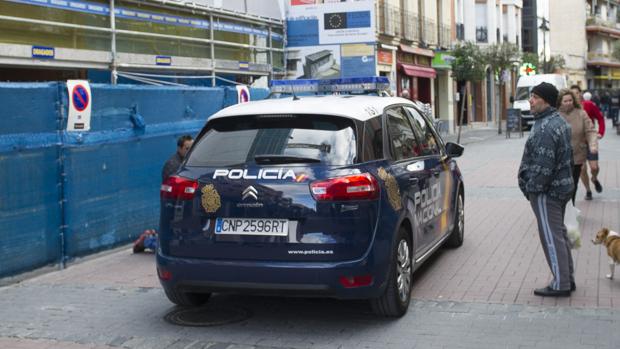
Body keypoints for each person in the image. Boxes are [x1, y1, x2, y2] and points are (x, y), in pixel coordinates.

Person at [518, 82, 575, 297]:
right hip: (560, 188)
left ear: (547, 100)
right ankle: (567, 276)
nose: (530, 100)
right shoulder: (556, 121)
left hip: (547, 192)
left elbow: (544, 166)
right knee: (559, 234)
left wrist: (531, 188)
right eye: (530, 96)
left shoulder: (546, 127)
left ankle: (561, 284)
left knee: (551, 237)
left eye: (535, 96)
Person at [134, 134, 194, 253]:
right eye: (187, 148)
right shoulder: (172, 165)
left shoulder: (189, 162)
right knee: (171, 243)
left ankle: (152, 237)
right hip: (175, 206)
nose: (190, 151)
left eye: (192, 148)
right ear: (179, 148)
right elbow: (171, 190)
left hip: (185, 205)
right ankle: (147, 240)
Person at [557, 89, 598, 204]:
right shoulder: (555, 114)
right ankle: (562, 209)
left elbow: (590, 130)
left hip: (577, 155)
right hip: (560, 157)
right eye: (565, 101)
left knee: (573, 184)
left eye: (570, 100)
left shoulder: (581, 113)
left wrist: (592, 145)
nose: (568, 103)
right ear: (560, 102)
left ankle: (571, 207)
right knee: (562, 185)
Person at [571, 86, 605, 200]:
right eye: (573, 93)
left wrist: (600, 132)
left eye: (577, 93)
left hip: (590, 142)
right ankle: (588, 190)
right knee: (582, 169)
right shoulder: (569, 109)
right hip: (577, 144)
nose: (575, 95)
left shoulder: (589, 105)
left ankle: (594, 179)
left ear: (580, 94)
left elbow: (600, 118)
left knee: (594, 167)